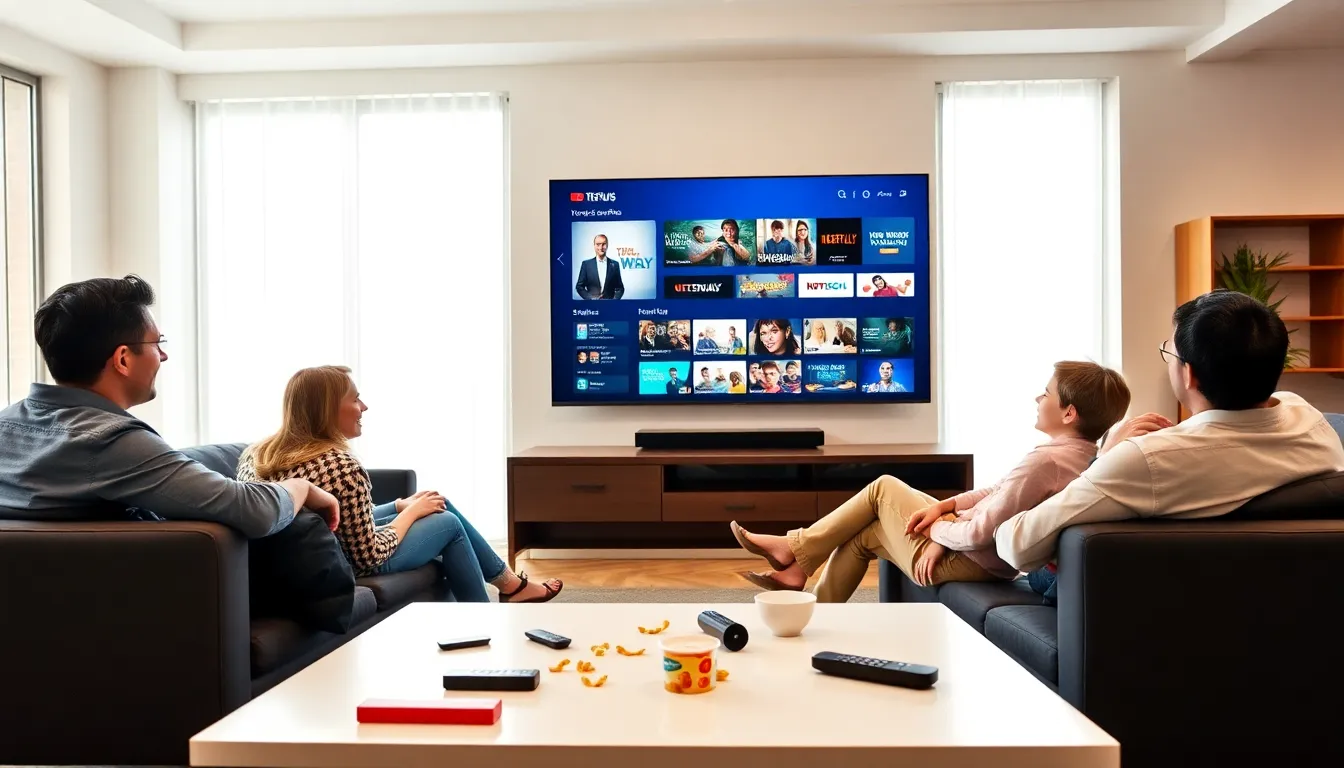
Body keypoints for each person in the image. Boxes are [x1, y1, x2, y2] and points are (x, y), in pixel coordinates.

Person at [994, 290, 1344, 584]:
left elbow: (1017, 545)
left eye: (1169, 352)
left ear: (1189, 375)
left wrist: (1103, 459)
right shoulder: (1307, 418)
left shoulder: (1146, 460)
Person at [731, 360, 1131, 602]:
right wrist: (946, 506)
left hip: (973, 561)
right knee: (863, 536)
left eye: (1046, 394)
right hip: (979, 555)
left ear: (1069, 414)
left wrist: (939, 533)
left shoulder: (1046, 461)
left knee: (883, 487)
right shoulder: (1079, 457)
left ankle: (794, 548)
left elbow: (983, 531)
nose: (1037, 399)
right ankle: (810, 596)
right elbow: (998, 493)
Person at [0, 275, 339, 537]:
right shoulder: (111, 443)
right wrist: (301, 486)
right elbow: (254, 512)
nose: (163, 355)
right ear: (123, 359)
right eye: (156, 342)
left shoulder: (6, 424)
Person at [237, 365, 563, 603]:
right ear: (328, 410)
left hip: (298, 562)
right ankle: (484, 620)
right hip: (344, 566)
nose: (364, 407)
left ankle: (510, 585)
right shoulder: (341, 466)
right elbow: (368, 555)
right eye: (356, 399)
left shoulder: (258, 454)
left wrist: (398, 506)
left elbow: (336, 523)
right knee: (447, 523)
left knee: (436, 502)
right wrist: (410, 515)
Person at [575, 233, 625, 300]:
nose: (601, 247)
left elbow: (620, 288)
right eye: (598, 244)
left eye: (603, 244)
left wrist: (613, 302)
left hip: (610, 305)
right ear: (594, 246)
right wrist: (591, 299)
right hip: (592, 305)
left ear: (607, 245)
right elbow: (579, 287)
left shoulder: (615, 265)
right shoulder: (586, 264)